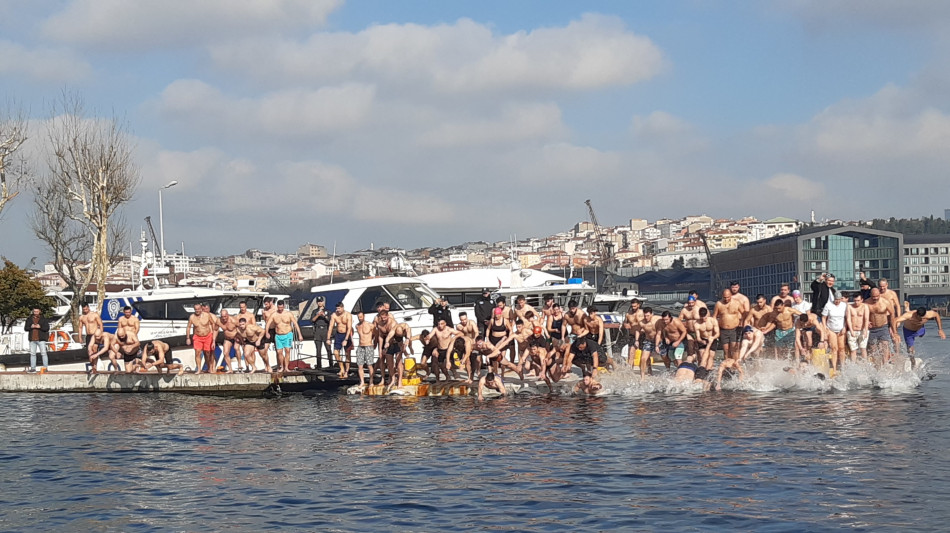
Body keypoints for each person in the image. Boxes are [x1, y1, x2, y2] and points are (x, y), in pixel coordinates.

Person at [265, 300, 302, 374]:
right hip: (278, 335)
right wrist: (266, 333)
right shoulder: (274, 315)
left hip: (288, 334)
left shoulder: (288, 314)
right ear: (277, 307)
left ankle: (286, 367)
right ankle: (281, 366)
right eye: (279, 307)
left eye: (281, 307)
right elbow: (268, 324)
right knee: (279, 352)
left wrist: (300, 334)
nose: (280, 309)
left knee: (287, 350)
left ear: (284, 306)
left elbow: (295, 324)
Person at [866, 288, 898, 364]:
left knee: (885, 345)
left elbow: (892, 315)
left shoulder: (885, 302)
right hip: (872, 329)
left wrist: (894, 331)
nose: (875, 298)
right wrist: (866, 321)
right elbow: (862, 314)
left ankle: (885, 364)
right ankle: (877, 365)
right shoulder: (867, 303)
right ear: (871, 295)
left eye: (877, 296)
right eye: (873, 296)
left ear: (879, 295)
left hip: (883, 327)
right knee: (873, 349)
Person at [712, 289, 744, 361]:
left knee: (734, 349)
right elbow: (714, 316)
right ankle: (728, 367)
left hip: (734, 329)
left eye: (728, 297)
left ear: (731, 296)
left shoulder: (736, 303)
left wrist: (742, 322)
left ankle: (735, 365)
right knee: (726, 350)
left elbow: (744, 314)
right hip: (723, 330)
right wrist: (714, 328)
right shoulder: (719, 304)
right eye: (724, 297)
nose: (726, 299)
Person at [821, 293, 849, 369]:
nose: (837, 301)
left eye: (839, 300)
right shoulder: (828, 305)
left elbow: (847, 318)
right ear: (834, 299)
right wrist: (825, 328)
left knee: (842, 348)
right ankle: (834, 367)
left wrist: (845, 327)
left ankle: (842, 366)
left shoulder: (844, 305)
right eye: (836, 300)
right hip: (831, 329)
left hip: (841, 328)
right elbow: (824, 317)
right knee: (834, 348)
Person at [632, 307, 661, 376]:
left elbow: (667, 321)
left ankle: (668, 370)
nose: (646, 317)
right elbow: (637, 330)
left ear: (652, 314)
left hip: (659, 340)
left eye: (648, 316)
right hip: (648, 341)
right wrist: (636, 340)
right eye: (645, 316)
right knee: (643, 358)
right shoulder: (641, 322)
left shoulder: (658, 319)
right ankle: (642, 376)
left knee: (665, 357)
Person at [187, 303, 216, 373]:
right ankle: (199, 369)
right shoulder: (192, 317)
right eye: (196, 309)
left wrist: (213, 333)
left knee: (207, 352)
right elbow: (188, 327)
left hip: (207, 335)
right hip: (197, 336)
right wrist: (188, 338)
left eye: (199, 309)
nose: (197, 311)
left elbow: (213, 323)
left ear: (201, 309)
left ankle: (209, 367)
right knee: (197, 352)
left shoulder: (207, 315)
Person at [327, 302, 353, 378]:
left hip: (346, 334)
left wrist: (346, 339)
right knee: (335, 352)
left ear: (342, 307)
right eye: (336, 308)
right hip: (338, 334)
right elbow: (330, 327)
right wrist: (328, 338)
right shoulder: (334, 315)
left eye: (339, 308)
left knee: (347, 353)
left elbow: (349, 328)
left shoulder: (348, 315)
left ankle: (347, 371)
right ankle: (341, 368)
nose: (337, 310)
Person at [353, 312, 377, 387]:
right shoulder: (357, 326)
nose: (360, 318)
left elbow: (376, 334)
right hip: (360, 346)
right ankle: (362, 381)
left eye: (361, 317)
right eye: (358, 317)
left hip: (368, 345)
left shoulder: (370, 325)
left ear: (364, 316)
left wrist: (374, 343)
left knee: (369, 365)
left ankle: (371, 381)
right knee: (360, 365)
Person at [845, 292, 870, 362]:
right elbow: (848, 319)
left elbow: (866, 319)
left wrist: (865, 330)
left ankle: (865, 364)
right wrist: (851, 330)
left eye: (858, 300)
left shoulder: (865, 306)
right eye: (855, 300)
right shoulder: (849, 306)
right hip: (853, 330)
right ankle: (853, 364)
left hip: (862, 329)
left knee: (863, 348)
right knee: (853, 350)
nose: (856, 302)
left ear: (862, 300)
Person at [24, 307, 50, 373]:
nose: (35, 313)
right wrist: (31, 327)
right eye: (34, 311)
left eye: (37, 311)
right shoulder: (29, 319)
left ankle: (45, 368)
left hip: (41, 339)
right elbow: (26, 328)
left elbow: (47, 328)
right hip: (32, 339)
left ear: (39, 311)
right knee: (32, 354)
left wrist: (40, 327)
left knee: (43, 353)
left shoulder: (43, 319)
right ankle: (33, 368)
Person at [310, 298, 332, 369]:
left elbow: (330, 320)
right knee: (318, 349)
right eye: (318, 302)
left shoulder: (327, 311)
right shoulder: (314, 311)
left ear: (323, 302)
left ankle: (331, 365)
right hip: (318, 330)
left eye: (321, 301)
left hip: (325, 330)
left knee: (328, 348)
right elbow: (312, 320)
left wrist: (324, 316)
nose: (320, 303)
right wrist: (318, 315)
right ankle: (319, 365)